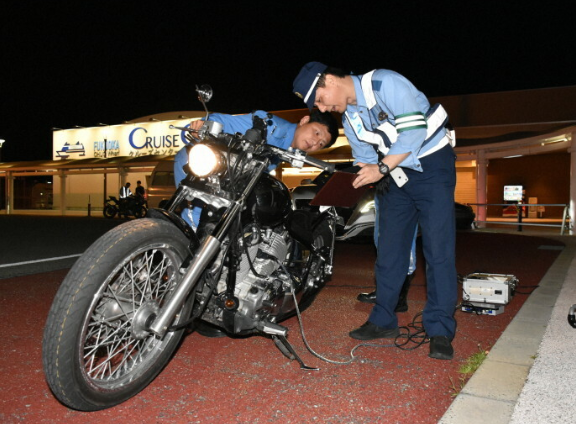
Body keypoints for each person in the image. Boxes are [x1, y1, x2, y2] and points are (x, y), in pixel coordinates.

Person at [293, 62, 457, 360]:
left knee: (438, 249)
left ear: (329, 80)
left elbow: (414, 130)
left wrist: (380, 168)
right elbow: (364, 158)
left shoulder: (385, 83)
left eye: (319, 98)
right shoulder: (351, 116)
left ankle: (440, 328)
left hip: (432, 167)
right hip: (394, 177)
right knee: (389, 251)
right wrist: (345, 185)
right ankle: (383, 320)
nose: (322, 107)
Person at [174, 109, 339, 227]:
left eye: (321, 144)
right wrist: (199, 127)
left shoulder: (287, 153)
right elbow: (221, 122)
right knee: (197, 230)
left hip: (228, 183)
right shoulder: (268, 126)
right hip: (200, 169)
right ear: (304, 121)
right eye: (316, 133)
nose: (314, 142)